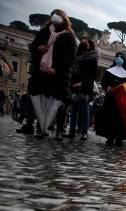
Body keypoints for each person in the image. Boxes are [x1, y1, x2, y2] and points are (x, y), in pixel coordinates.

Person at [27, 9, 77, 139]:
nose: (56, 17)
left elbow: (70, 58)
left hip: (60, 75)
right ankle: (41, 128)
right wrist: (38, 49)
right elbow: (32, 47)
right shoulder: (44, 31)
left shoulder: (69, 36)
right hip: (42, 73)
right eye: (54, 15)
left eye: (59, 15)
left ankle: (59, 130)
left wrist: (56, 68)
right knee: (42, 101)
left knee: (59, 103)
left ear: (64, 18)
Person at [98, 52, 126, 146]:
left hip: (122, 100)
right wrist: (107, 87)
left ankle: (119, 138)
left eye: (121, 57)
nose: (119, 59)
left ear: (124, 60)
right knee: (110, 118)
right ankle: (110, 137)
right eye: (117, 57)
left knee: (120, 120)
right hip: (110, 99)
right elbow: (103, 82)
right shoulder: (109, 70)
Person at [67, 37, 97, 140]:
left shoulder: (93, 57)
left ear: (90, 45)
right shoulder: (76, 56)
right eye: (82, 42)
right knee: (73, 109)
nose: (84, 43)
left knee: (84, 110)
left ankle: (84, 132)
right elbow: (71, 71)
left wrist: (82, 83)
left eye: (86, 42)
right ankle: (71, 131)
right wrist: (72, 83)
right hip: (74, 85)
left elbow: (93, 75)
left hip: (85, 87)